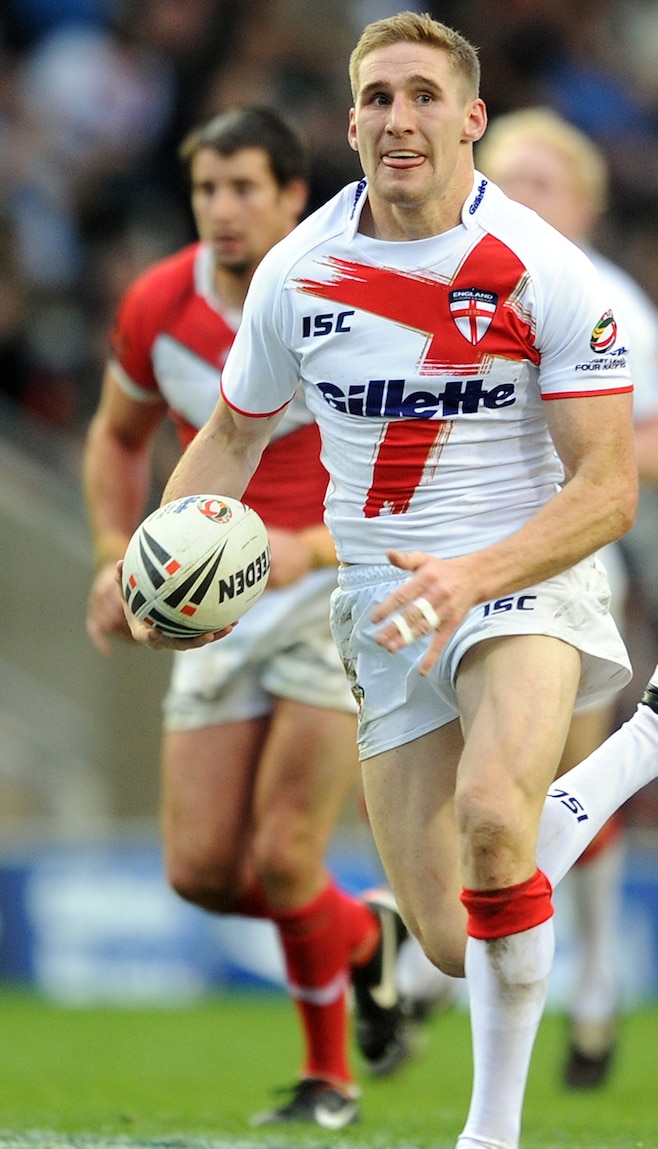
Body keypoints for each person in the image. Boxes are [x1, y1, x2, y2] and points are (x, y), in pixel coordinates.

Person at [117, 16, 658, 1149]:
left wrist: (476, 574)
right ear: (350, 122)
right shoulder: (298, 272)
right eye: (376, 98)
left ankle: (492, 1132)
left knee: (493, 821)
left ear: (469, 118)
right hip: (381, 611)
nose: (399, 119)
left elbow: (612, 489)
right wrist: (167, 565)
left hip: (523, 580)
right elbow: (229, 442)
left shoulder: (543, 271)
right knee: (444, 936)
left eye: (424, 96)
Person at [83, 104, 414, 1131]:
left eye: (243, 190)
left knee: (280, 854)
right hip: (213, 605)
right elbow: (114, 435)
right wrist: (116, 556)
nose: (222, 212)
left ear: (289, 197)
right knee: (201, 872)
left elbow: (409, 451)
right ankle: (367, 941)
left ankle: (331, 1081)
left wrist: (312, 549)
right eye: (204, 192)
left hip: (332, 593)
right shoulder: (156, 305)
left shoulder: (349, 295)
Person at [476, 106, 658, 1089]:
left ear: (586, 205)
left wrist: (579, 440)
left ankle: (590, 981)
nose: (522, 197)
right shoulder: (455, 285)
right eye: (507, 178)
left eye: (543, 182)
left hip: (564, 563)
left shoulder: (609, 299)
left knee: (549, 771)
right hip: (450, 557)